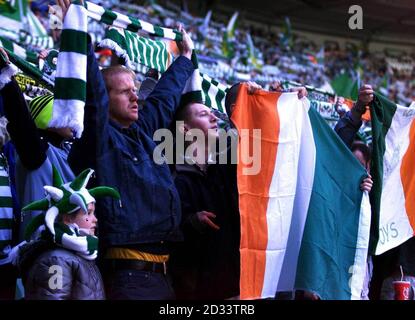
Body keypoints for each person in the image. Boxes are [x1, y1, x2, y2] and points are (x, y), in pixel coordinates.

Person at [59, 0, 195, 299]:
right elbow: (94, 97)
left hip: (163, 276)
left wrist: (185, 58)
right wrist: (79, 33)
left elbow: (164, 99)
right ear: (107, 100)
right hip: (129, 279)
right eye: (125, 92)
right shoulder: (98, 139)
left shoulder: (142, 131)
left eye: (135, 90)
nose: (135, 97)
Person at [0, 47, 75, 242]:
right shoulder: (38, 154)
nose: (75, 117)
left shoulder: (73, 150)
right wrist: (5, 74)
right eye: (66, 111)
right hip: (45, 255)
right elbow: (20, 119)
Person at [15, 167, 119, 300]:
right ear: (67, 218)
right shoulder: (56, 260)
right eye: (88, 213)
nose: (95, 219)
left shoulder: (81, 253)